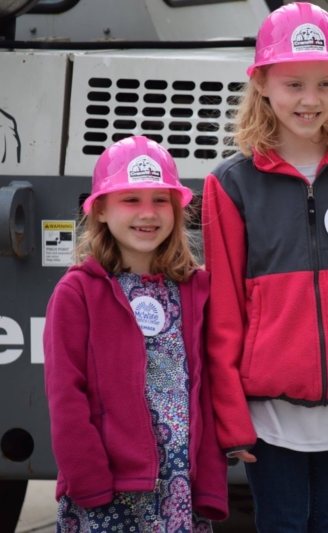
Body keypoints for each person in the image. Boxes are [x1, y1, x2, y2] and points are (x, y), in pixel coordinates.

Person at [201, 3, 328, 532]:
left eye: (325, 84)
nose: (310, 100)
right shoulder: (231, 185)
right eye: (293, 84)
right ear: (262, 83)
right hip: (269, 418)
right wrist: (231, 415)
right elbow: (223, 313)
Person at [43, 136, 228, 533]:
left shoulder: (195, 289)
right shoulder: (77, 292)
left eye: (161, 200)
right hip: (108, 490)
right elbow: (65, 396)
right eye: (130, 199)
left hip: (180, 489)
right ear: (100, 210)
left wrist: (210, 481)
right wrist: (88, 480)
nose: (148, 213)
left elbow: (207, 390)